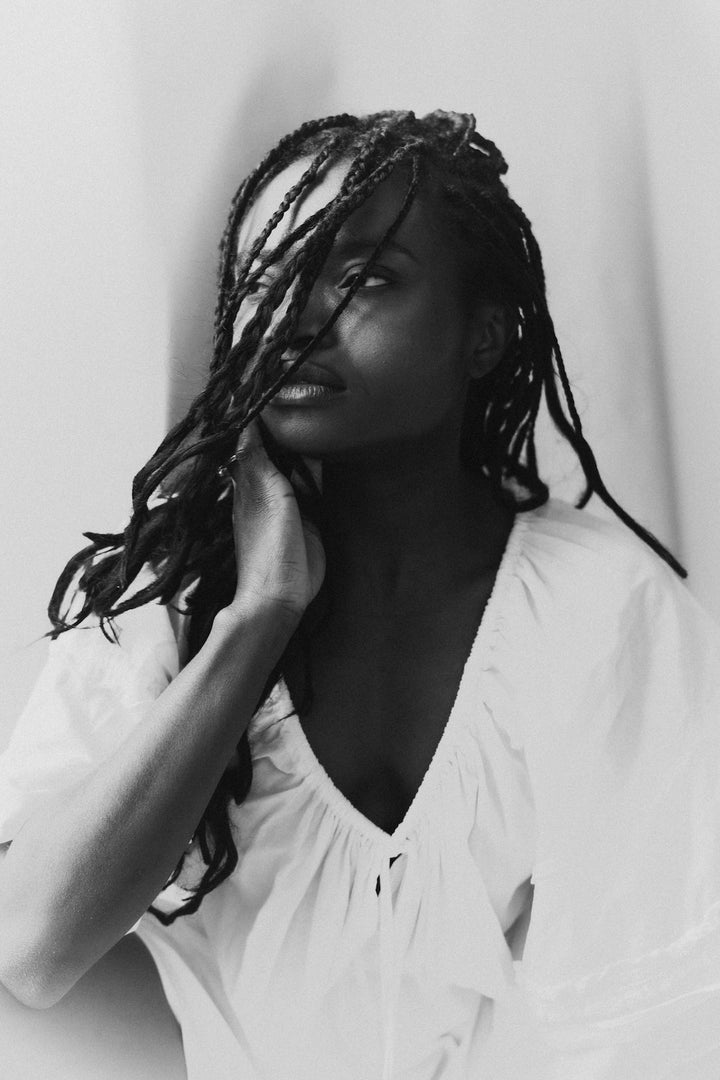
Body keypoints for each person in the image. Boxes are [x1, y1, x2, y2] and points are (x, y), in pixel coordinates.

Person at [0, 109, 719, 1080]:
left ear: (483, 335)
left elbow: (650, 1022)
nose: (294, 319)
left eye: (365, 278)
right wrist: (257, 620)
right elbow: (30, 951)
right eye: (267, 279)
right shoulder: (170, 603)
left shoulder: (602, 612)